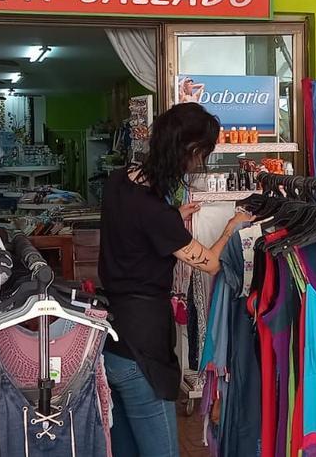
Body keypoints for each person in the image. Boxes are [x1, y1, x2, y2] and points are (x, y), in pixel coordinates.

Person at [99, 102, 253, 456]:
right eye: (202, 154)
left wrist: (172, 217)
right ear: (190, 151)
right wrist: (232, 227)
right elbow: (211, 264)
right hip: (143, 351)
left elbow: (133, 231)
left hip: (112, 340)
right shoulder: (157, 215)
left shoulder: (119, 181)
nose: (200, 163)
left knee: (125, 449)